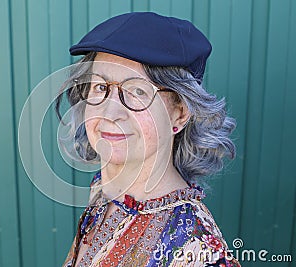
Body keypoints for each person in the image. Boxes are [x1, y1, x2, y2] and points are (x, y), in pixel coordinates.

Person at [56, 12, 241, 267]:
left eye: (137, 92)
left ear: (179, 113)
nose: (110, 114)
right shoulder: (105, 189)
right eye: (100, 87)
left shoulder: (197, 251)